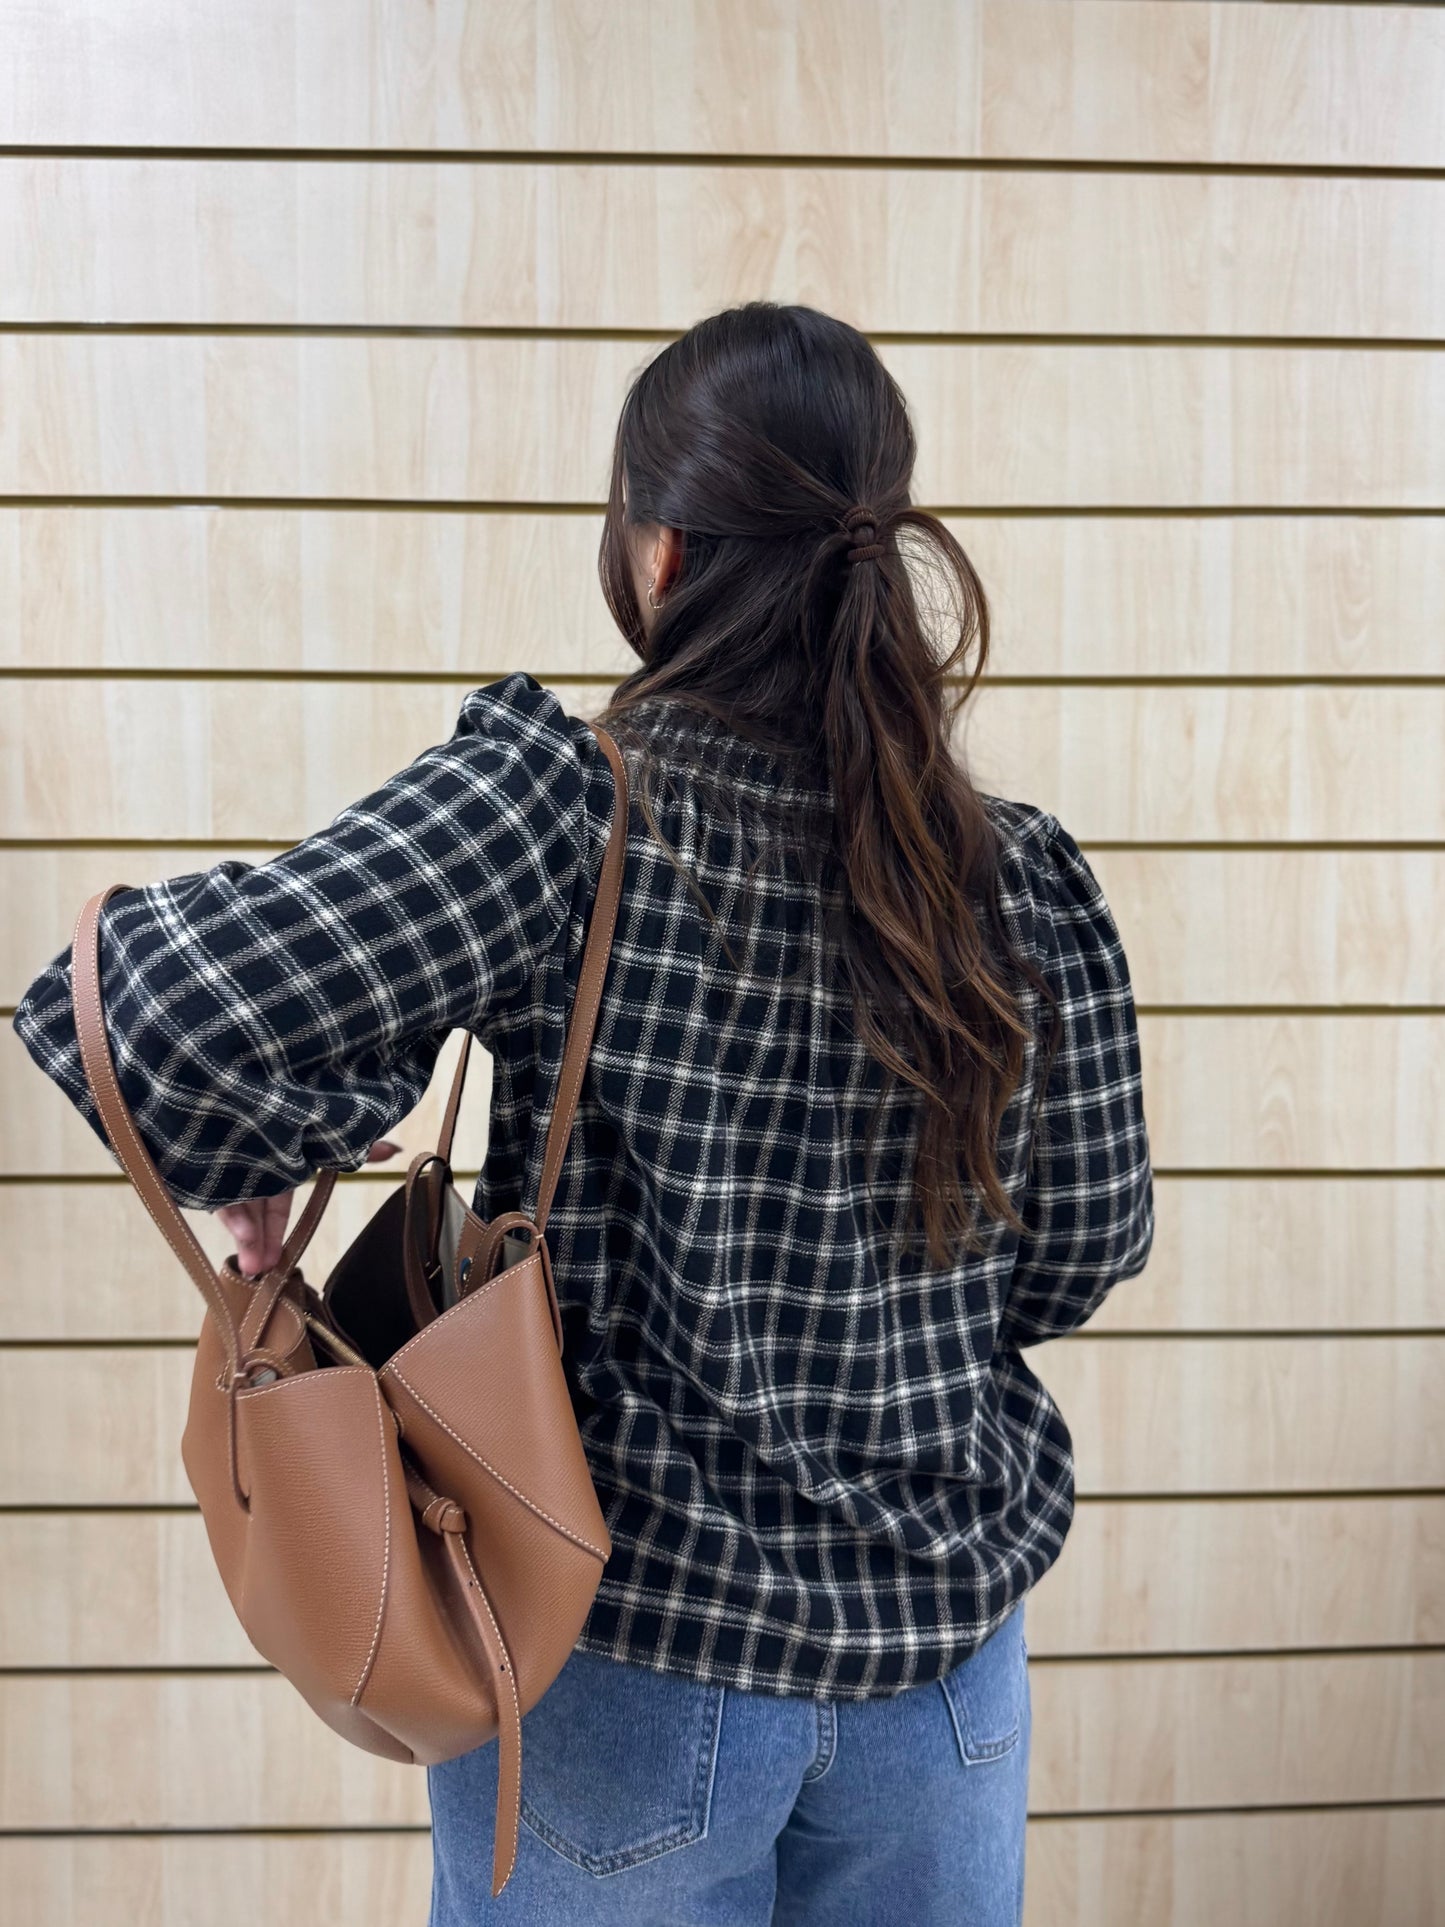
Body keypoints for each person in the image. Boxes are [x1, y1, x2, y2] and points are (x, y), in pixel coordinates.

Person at [12, 300, 1154, 1926]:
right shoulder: (1015, 874)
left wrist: (263, 1147)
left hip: (614, 1659)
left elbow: (136, 1005)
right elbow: (1079, 1254)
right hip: (940, 1676)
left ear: (661, 552)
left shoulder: (565, 804)